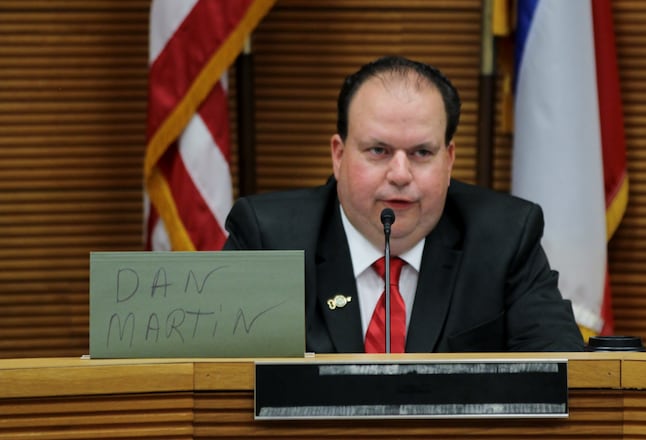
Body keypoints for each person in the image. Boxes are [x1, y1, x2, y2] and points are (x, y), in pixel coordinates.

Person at [223, 55, 584, 353]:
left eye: (421, 153)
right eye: (378, 150)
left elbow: (561, 374)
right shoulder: (268, 239)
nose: (400, 174)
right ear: (339, 155)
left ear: (448, 160)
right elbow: (218, 383)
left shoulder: (505, 237)